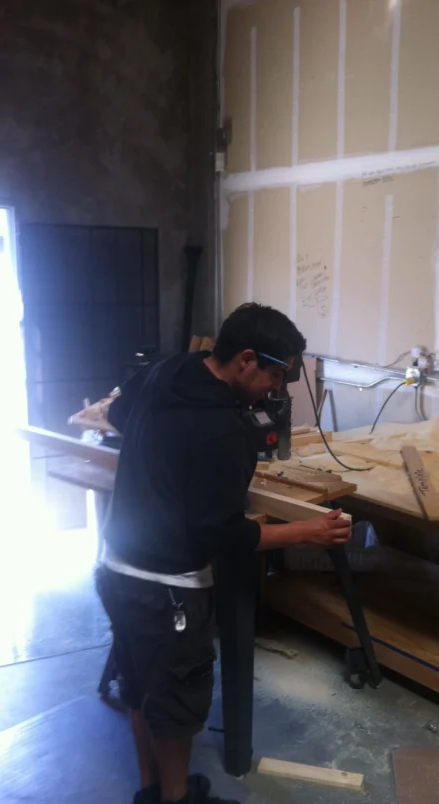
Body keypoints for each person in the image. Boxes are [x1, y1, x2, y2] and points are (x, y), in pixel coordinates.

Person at [96, 303, 352, 804]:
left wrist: (162, 461)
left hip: (115, 568)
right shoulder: (224, 433)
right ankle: (176, 798)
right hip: (168, 590)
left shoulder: (169, 368)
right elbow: (227, 537)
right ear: (247, 360)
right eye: (275, 377)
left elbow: (119, 412)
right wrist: (307, 532)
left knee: (138, 686)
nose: (276, 391)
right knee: (175, 702)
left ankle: (150, 791)